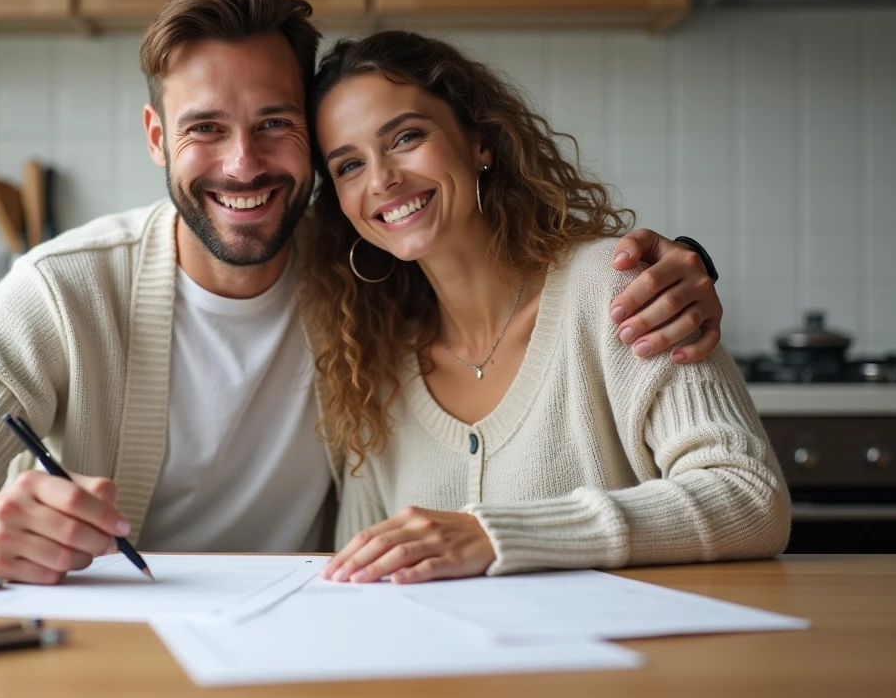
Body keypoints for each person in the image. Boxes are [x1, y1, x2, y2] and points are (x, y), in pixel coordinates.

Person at [0, 0, 726, 585]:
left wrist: (678, 264)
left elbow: (498, 270)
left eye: (276, 123)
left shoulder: (372, 273)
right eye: (206, 127)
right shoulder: (67, 291)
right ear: (155, 139)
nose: (243, 164)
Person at [303, 30, 790, 585]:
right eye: (348, 166)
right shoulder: (374, 366)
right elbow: (358, 574)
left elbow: (750, 497)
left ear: (480, 141)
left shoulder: (615, 290)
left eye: (407, 137)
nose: (382, 179)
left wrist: (498, 535)